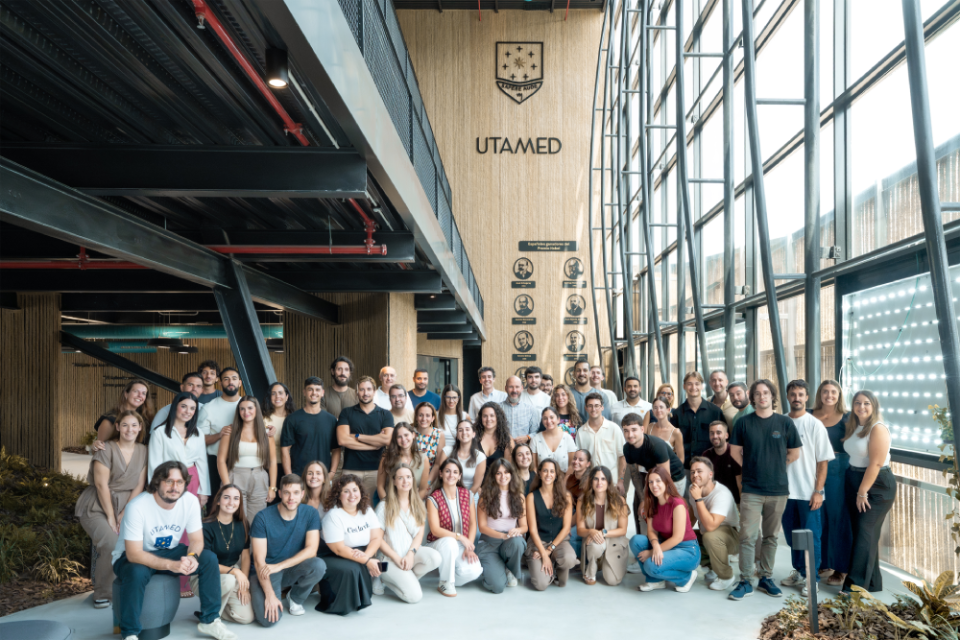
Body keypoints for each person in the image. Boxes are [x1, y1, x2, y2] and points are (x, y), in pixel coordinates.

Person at [111, 461, 233, 640]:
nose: (174, 487)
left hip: (169, 551)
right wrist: (171, 565)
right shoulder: (137, 506)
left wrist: (192, 557)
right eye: (169, 481)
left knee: (208, 558)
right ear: (157, 482)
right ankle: (130, 633)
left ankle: (210, 621)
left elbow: (197, 540)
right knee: (137, 572)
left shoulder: (190, 501)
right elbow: (133, 553)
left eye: (180, 482)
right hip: (131, 556)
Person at [728, 379, 802, 601]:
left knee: (771, 537)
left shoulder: (785, 423)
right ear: (753, 398)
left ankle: (766, 578)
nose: (762, 397)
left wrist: (775, 466)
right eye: (758, 394)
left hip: (778, 489)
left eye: (766, 393)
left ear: (772, 396)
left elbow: (795, 453)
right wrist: (753, 467)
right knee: (747, 536)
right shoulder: (743, 423)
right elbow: (734, 452)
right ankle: (745, 580)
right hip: (751, 489)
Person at [76, 410, 148, 608]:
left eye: (134, 425)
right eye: (125, 425)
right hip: (97, 505)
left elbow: (139, 486)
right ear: (117, 427)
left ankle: (126, 586)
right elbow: (101, 485)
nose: (129, 429)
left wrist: (125, 513)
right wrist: (111, 515)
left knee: (134, 544)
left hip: (127, 504)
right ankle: (103, 592)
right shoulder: (105, 448)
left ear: (140, 428)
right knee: (111, 542)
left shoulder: (143, 450)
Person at [148, 391, 208, 596]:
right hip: (169, 481)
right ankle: (174, 581)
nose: (188, 411)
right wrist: (156, 492)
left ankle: (187, 580)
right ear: (175, 407)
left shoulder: (197, 432)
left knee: (190, 530)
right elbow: (154, 465)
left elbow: (202, 463)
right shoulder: (159, 432)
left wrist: (204, 491)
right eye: (184, 406)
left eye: (192, 408)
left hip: (192, 480)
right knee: (172, 529)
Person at [249, 474, 326, 627]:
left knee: (318, 566)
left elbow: (312, 550)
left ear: (302, 494)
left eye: (296, 493)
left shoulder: (310, 513)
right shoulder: (262, 518)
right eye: (287, 493)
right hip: (265, 571)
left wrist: (280, 566)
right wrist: (270, 595)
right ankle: (267, 592)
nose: (291, 498)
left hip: (288, 568)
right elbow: (259, 562)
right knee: (269, 620)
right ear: (280, 494)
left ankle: (295, 597)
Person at [780, 380, 834, 596]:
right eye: (793, 394)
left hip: (807, 492)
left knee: (811, 537)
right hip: (784, 493)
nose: (797, 398)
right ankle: (800, 572)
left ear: (806, 397)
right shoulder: (780, 422)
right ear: (788, 396)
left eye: (801, 394)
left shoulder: (814, 425)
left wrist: (818, 491)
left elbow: (823, 462)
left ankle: (812, 579)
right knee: (792, 536)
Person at [842, 390, 894, 593]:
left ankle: (853, 588)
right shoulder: (856, 426)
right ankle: (872, 583)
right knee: (864, 534)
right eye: (857, 403)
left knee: (865, 532)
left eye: (866, 403)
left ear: (874, 407)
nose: (861, 407)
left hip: (877, 485)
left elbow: (876, 463)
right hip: (855, 479)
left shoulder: (877, 428)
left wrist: (862, 491)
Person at [317, 474, 384, 615]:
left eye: (355, 490)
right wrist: (366, 560)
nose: (351, 495)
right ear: (338, 495)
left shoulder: (367, 510)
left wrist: (366, 557)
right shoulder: (333, 515)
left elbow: (377, 538)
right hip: (331, 555)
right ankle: (336, 604)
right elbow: (339, 549)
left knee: (358, 564)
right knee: (351, 569)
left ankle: (358, 600)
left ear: (360, 492)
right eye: (346, 491)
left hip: (360, 552)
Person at [375, 463, 442, 602]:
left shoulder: (418, 504)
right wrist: (396, 558)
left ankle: (406, 578)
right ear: (394, 481)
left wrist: (411, 554)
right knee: (414, 597)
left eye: (408, 477)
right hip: (387, 559)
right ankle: (383, 578)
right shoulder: (384, 506)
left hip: (407, 553)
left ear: (413, 479)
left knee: (435, 558)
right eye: (400, 478)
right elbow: (377, 539)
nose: (405, 481)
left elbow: (419, 534)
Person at [629, 466, 700, 593]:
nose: (654, 485)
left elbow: (677, 538)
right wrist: (655, 545)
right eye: (650, 482)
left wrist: (651, 553)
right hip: (665, 544)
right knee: (636, 541)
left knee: (650, 565)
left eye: (658, 481)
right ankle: (656, 581)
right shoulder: (651, 502)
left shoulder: (677, 504)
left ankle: (686, 577)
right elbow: (651, 531)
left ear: (666, 482)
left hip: (687, 550)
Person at [194, 485, 255, 625]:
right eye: (226, 497)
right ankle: (210, 619)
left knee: (246, 618)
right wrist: (235, 572)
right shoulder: (206, 527)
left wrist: (243, 585)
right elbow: (204, 562)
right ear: (218, 501)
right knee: (228, 581)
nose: (231, 502)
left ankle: (211, 609)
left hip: (232, 573)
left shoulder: (243, 524)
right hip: (204, 575)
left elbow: (245, 556)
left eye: (236, 498)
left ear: (239, 502)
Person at [812, 379, 852, 587]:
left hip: (837, 469)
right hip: (813, 468)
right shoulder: (810, 414)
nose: (829, 395)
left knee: (837, 517)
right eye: (825, 391)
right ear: (820, 394)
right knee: (819, 516)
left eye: (833, 392)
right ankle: (824, 562)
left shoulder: (847, 418)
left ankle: (841, 567)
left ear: (839, 395)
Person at [425, 459, 483, 596]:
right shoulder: (433, 498)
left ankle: (448, 578)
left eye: (455, 472)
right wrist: (460, 537)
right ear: (440, 474)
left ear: (460, 476)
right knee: (450, 542)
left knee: (475, 571)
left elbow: (473, 523)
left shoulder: (467, 494)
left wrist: (469, 547)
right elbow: (435, 530)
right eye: (447, 471)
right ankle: (446, 582)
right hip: (438, 543)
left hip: (461, 543)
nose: (451, 475)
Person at [217, 396, 277, 526]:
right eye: (242, 409)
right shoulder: (230, 431)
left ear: (256, 410)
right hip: (236, 476)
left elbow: (272, 461)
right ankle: (238, 546)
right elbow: (221, 460)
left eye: (250, 408)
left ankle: (254, 547)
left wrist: (272, 487)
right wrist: (227, 486)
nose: (246, 412)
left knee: (257, 520)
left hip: (259, 477)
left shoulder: (267, 433)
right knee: (236, 518)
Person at [688, 457, 740, 592]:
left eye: (699, 471)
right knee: (685, 536)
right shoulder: (693, 489)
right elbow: (693, 514)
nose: (695, 475)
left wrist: (698, 499)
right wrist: (683, 533)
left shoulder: (721, 494)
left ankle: (726, 576)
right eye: (692, 472)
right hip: (710, 533)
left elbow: (711, 526)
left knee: (710, 536)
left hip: (733, 537)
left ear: (710, 474)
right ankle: (713, 567)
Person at [337, 376, 394, 498]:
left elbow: (387, 439)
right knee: (349, 505)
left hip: (376, 470)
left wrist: (357, 436)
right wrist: (374, 445)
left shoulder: (385, 414)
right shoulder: (347, 413)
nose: (365, 393)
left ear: (374, 391)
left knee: (372, 508)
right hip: (351, 469)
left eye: (368, 389)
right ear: (357, 392)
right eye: (361, 389)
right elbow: (342, 440)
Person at [476, 459, 527, 593]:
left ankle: (509, 569)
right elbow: (482, 527)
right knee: (497, 587)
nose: (503, 476)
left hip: (510, 541)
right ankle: (493, 571)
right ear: (493, 476)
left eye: (506, 472)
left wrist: (517, 530)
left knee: (517, 542)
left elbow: (524, 527)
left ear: (511, 474)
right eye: (498, 473)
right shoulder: (485, 497)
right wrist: (501, 535)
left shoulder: (519, 497)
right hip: (489, 542)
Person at [525, 459, 577, 590]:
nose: (549, 474)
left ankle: (554, 561)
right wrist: (543, 552)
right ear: (540, 473)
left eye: (552, 471)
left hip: (559, 541)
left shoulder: (566, 496)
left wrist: (548, 551)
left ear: (556, 474)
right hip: (539, 542)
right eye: (545, 471)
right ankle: (548, 566)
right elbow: (533, 530)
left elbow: (566, 528)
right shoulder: (531, 497)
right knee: (541, 585)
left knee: (569, 560)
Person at [577, 466, 630, 586]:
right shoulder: (582, 501)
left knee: (612, 581)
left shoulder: (619, 500)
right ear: (591, 481)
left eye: (603, 479)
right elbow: (580, 530)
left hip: (614, 540)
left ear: (608, 482)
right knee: (595, 545)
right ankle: (591, 570)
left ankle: (608, 561)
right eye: (596, 479)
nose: (599, 482)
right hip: (594, 541)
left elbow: (623, 529)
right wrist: (591, 531)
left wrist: (603, 532)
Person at [280, 377, 340, 478]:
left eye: (317, 390)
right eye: (310, 389)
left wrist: (332, 473)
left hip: (323, 477)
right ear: (304, 392)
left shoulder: (331, 420)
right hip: (299, 475)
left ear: (322, 393)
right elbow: (285, 449)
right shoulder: (292, 419)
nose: (314, 393)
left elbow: (336, 449)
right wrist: (290, 475)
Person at [622, 413, 687, 504]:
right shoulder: (627, 448)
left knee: (668, 508)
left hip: (674, 477)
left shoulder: (656, 445)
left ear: (642, 429)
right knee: (647, 510)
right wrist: (642, 499)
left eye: (634, 430)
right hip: (655, 475)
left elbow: (666, 476)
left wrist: (658, 500)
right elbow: (634, 474)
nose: (630, 435)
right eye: (626, 431)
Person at [199, 368, 244, 499]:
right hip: (215, 463)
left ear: (240, 383)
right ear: (220, 384)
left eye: (234, 379)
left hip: (243, 461)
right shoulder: (209, 408)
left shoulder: (248, 406)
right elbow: (199, 439)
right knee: (216, 503)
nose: (231, 382)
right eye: (226, 379)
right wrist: (219, 435)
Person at [671, 371, 724, 469]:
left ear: (702, 386)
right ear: (684, 386)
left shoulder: (715, 411)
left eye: (697, 384)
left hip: (710, 466)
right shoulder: (677, 413)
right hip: (684, 467)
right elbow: (671, 441)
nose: (693, 387)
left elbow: (724, 439)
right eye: (689, 384)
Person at [575, 393, 626, 493]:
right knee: (595, 509)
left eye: (597, 406)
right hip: (591, 485)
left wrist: (621, 481)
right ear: (586, 408)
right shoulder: (581, 432)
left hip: (612, 483)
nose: (593, 409)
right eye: (590, 406)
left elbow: (622, 456)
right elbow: (579, 461)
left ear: (602, 407)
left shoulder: (614, 429)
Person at [377, 422, 430, 500]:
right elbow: (380, 486)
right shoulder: (386, 457)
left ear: (413, 435)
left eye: (406, 435)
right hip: (390, 502)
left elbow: (423, 489)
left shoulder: (424, 459)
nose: (403, 439)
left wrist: (412, 506)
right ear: (395, 439)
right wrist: (387, 505)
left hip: (414, 503)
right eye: (399, 437)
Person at [95, 378, 155, 445]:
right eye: (136, 391)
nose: (140, 395)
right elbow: (100, 451)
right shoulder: (109, 420)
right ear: (126, 394)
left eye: (144, 393)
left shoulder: (145, 419)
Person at [703, 420, 742, 504]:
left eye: (718, 433)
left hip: (735, 502)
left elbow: (740, 483)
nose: (715, 436)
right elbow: (705, 483)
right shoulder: (706, 455)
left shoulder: (734, 453)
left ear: (726, 435)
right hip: (715, 502)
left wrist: (742, 508)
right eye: (712, 433)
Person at [532, 407, 578, 474]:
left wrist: (564, 482)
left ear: (558, 419)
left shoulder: (568, 439)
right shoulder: (535, 439)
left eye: (551, 417)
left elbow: (572, 466)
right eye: (545, 418)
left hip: (565, 480)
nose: (548, 421)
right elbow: (534, 467)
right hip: (542, 481)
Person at [566, 449, 592, 557]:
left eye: (581, 460)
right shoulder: (570, 477)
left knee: (569, 535)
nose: (576, 461)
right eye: (575, 458)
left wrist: (566, 526)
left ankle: (579, 561)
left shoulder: (589, 481)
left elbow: (581, 511)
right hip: (570, 512)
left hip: (584, 517)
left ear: (588, 464)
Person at [500, 376, 540, 446]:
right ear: (505, 388)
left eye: (517, 387)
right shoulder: (497, 409)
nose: (514, 390)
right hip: (502, 450)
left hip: (523, 452)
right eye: (511, 387)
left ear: (521, 388)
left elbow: (536, 432)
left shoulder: (531, 409)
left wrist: (528, 437)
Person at [453, 419, 487, 495]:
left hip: (470, 494)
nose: (464, 433)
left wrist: (463, 500)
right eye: (460, 430)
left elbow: (476, 485)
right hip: (449, 493)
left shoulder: (480, 457)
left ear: (473, 434)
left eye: (467, 429)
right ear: (457, 435)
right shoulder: (448, 452)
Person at [647, 397, 685, 462]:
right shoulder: (650, 427)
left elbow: (681, 459)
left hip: (667, 470)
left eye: (661, 407)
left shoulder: (676, 432)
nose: (658, 410)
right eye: (655, 408)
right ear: (653, 411)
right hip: (648, 470)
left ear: (668, 409)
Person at [263, 382, 294, 464]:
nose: (277, 396)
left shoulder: (295, 418)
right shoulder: (263, 418)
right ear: (269, 397)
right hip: (269, 465)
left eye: (280, 393)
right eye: (273, 393)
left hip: (292, 465)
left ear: (287, 397)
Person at [413, 401, 445, 477]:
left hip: (430, 478)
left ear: (433, 418)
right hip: (410, 477)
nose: (424, 418)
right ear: (416, 417)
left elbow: (438, 464)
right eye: (421, 415)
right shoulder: (409, 432)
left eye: (427, 415)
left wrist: (427, 484)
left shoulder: (439, 434)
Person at [476, 401, 513, 466]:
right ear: (481, 418)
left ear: (498, 417)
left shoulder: (506, 439)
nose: (488, 419)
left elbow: (508, 468)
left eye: (492, 415)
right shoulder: (474, 436)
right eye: (485, 416)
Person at [438, 383, 469, 457]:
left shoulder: (465, 416)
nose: (451, 401)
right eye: (448, 397)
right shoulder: (436, 415)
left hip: (459, 455)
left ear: (458, 398)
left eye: (454, 397)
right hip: (440, 457)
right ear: (444, 398)